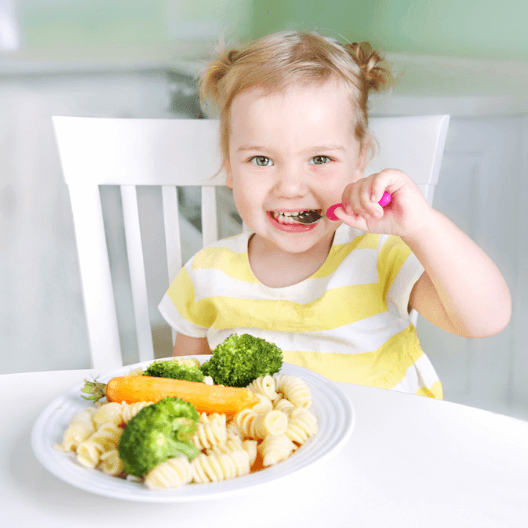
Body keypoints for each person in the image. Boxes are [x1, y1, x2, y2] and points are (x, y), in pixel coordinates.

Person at [158, 30, 511, 398]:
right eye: (261, 159)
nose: (290, 187)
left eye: (320, 159)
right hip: (277, 453)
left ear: (359, 161)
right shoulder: (206, 274)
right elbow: (186, 391)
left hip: (386, 445)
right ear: (229, 166)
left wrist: (422, 226)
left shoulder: (379, 255)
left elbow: (485, 319)